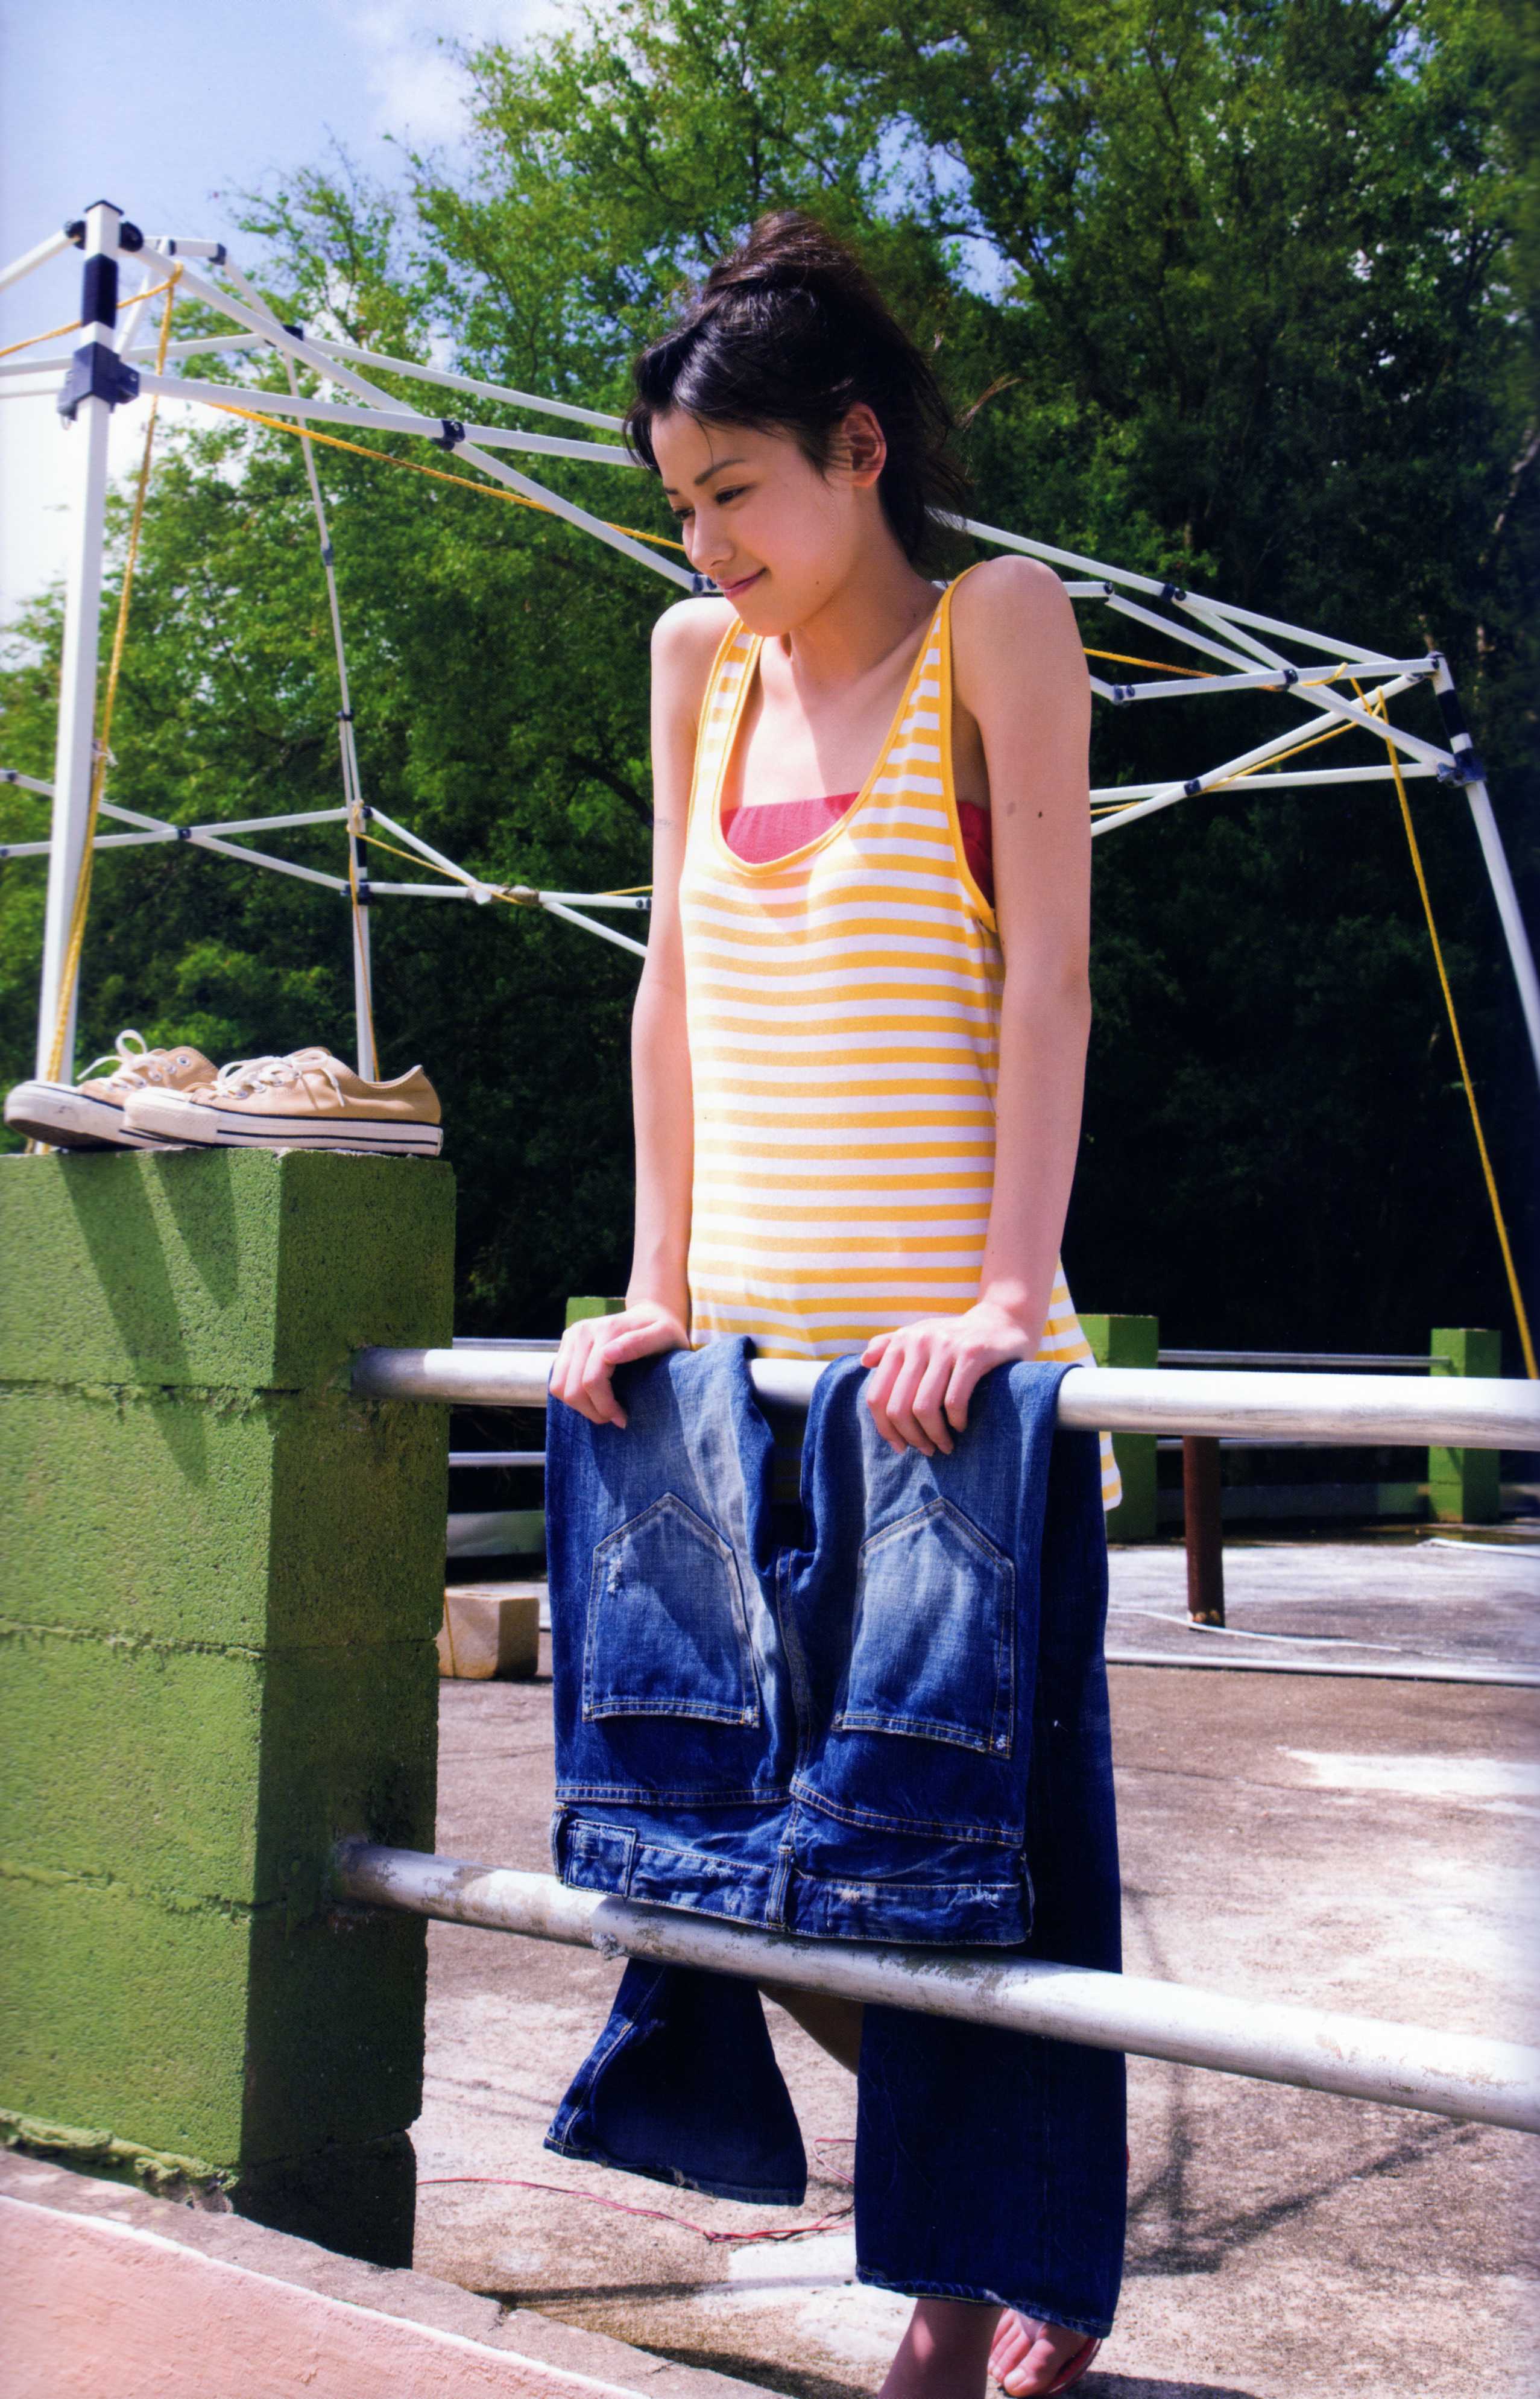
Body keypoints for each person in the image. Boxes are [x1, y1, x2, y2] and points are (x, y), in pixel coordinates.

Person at [550, 209, 1120, 2399]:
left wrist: (1003, 1292)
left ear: (857, 451)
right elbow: (671, 995)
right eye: (679, 506)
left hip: (947, 1385)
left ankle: (985, 2282)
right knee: (741, 1849)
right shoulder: (694, 666)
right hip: (745, 1390)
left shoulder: (998, 623)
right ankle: (984, 2229)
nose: (705, 544)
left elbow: (1049, 977)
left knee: (981, 1860)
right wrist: (648, 1289)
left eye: (734, 493)